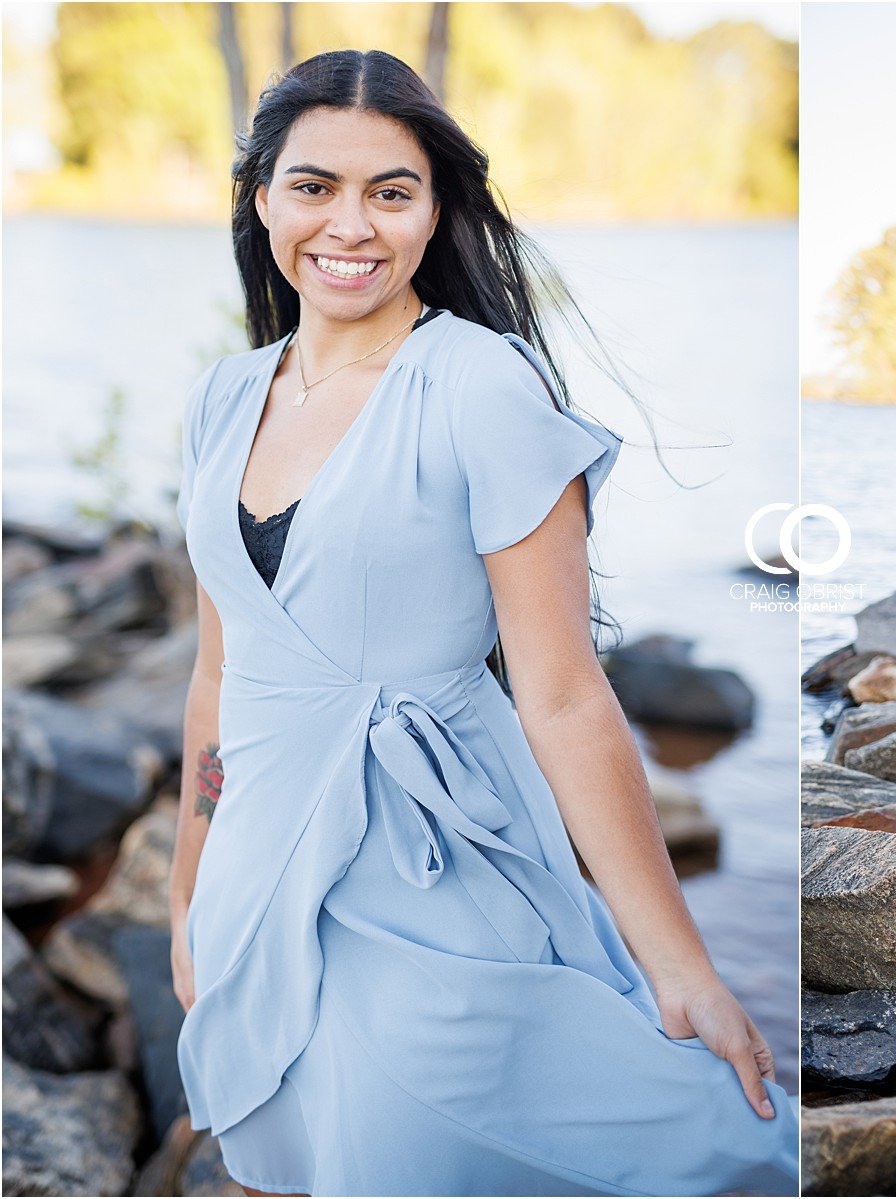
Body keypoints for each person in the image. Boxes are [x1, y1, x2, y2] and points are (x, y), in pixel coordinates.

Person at [166, 49, 798, 1196]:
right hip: (255, 863)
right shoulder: (224, 394)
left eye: (389, 191)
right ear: (261, 199)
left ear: (434, 210)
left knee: (442, 1153)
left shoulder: (481, 386)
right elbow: (220, 673)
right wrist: (187, 895)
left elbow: (562, 694)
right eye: (314, 186)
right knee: (273, 1155)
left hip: (428, 861)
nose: (348, 225)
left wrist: (683, 963)